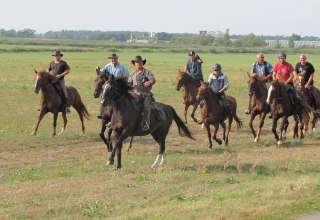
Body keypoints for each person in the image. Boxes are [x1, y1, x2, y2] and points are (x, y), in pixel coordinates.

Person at [96, 53, 129, 119]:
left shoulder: (122, 67)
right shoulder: (108, 66)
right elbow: (100, 73)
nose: (113, 60)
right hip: (110, 85)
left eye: (114, 58)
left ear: (117, 58)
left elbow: (126, 77)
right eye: (112, 58)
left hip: (119, 85)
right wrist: (98, 70)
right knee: (104, 95)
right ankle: (101, 112)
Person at [128, 55, 155, 131]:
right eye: (137, 62)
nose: (138, 63)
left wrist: (149, 82)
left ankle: (146, 122)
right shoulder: (132, 74)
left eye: (140, 62)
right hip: (133, 94)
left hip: (145, 94)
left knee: (147, 107)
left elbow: (153, 79)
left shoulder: (147, 72)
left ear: (142, 63)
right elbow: (129, 83)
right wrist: (129, 84)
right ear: (135, 64)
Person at [272, 52, 300, 121]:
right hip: (279, 84)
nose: (282, 60)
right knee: (272, 95)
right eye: (281, 58)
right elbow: (274, 75)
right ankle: (272, 112)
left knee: (295, 96)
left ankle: (295, 114)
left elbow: (292, 76)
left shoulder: (288, 65)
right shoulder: (276, 65)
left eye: (284, 58)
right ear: (279, 59)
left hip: (289, 84)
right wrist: (275, 82)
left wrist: (286, 83)